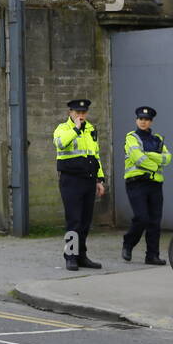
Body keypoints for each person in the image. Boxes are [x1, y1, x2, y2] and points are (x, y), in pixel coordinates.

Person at [53, 97, 106, 271]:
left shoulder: (91, 129)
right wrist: (75, 128)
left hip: (89, 180)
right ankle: (70, 256)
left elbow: (95, 155)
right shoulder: (62, 129)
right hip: (71, 181)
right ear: (71, 112)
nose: (81, 115)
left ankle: (81, 256)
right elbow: (60, 144)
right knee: (74, 221)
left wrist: (99, 180)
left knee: (85, 222)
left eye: (84, 112)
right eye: (78, 112)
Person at [121, 106, 171, 265]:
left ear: (151, 121)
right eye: (141, 119)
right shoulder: (131, 137)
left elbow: (168, 158)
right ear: (136, 120)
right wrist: (156, 163)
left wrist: (150, 155)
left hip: (155, 184)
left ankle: (152, 255)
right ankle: (128, 243)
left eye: (147, 119)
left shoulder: (157, 139)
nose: (143, 122)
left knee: (155, 221)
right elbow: (137, 158)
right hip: (137, 182)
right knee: (142, 217)